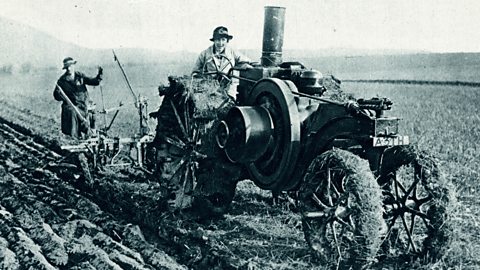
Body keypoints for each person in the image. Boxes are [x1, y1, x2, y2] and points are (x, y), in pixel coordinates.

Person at [192, 26, 252, 98]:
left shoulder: (232, 52)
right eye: (217, 40)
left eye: (223, 40)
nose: (220, 43)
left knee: (231, 105)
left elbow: (246, 61)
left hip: (228, 89)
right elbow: (195, 72)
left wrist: (248, 66)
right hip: (210, 90)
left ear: (227, 41)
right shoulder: (205, 54)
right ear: (214, 41)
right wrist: (205, 83)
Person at [53, 57, 103, 139]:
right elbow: (56, 96)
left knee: (92, 114)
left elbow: (94, 82)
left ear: (73, 66)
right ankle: (74, 137)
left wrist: (99, 75)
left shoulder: (80, 76)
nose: (69, 69)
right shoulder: (62, 81)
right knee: (73, 112)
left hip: (84, 104)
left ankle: (91, 134)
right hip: (72, 106)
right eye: (67, 67)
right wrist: (59, 94)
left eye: (70, 66)